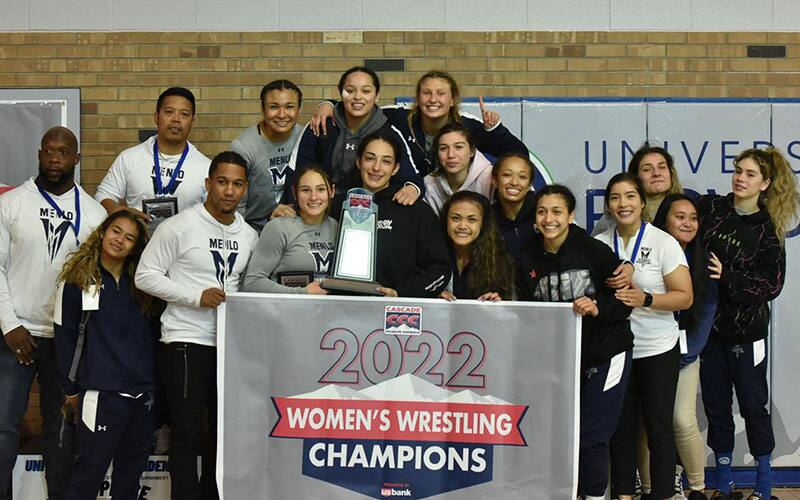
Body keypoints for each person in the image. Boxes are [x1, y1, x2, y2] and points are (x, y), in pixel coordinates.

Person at [135, 151, 258, 500]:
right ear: (208, 184)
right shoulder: (178, 227)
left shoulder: (249, 236)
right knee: (187, 434)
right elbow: (145, 276)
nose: (229, 191)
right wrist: (194, 296)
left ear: (245, 188)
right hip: (185, 341)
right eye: (222, 182)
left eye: (237, 184)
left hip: (230, 348)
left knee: (222, 436)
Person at [0, 126, 107, 500]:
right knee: (3, 426)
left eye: (63, 152)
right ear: (39, 155)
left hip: (65, 341)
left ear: (77, 158)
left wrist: (83, 336)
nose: (55, 158)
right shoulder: (11, 203)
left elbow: (95, 282)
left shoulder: (93, 215)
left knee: (60, 430)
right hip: (15, 337)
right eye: (48, 151)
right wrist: (10, 325)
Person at [516, 184, 633, 500]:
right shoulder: (527, 255)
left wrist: (598, 307)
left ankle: (594, 496)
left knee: (592, 435)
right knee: (562, 434)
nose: (548, 219)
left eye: (556, 212)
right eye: (542, 212)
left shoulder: (593, 250)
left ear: (570, 216)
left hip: (607, 353)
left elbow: (626, 300)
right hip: (563, 361)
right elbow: (525, 311)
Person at [696, 147, 799, 500]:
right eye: (738, 170)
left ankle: (764, 483)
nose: (740, 178)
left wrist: (729, 277)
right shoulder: (711, 210)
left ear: (765, 183)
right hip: (710, 330)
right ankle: (723, 482)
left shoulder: (768, 230)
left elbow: (772, 284)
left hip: (748, 333)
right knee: (716, 405)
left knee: (754, 405)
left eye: (750, 174)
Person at [595, 172, 693, 500]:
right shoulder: (600, 241)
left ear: (641, 202)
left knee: (659, 429)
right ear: (607, 205)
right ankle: (623, 494)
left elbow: (685, 297)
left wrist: (646, 299)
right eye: (615, 197)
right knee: (620, 430)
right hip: (615, 351)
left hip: (656, 348)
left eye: (630, 196)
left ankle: (662, 494)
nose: (623, 204)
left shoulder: (662, 242)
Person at [54, 210, 156, 500]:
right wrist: (70, 387)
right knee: (89, 475)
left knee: (130, 478)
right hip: (101, 393)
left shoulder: (143, 283)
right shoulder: (77, 280)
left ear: (136, 247)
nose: (120, 240)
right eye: (116, 231)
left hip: (142, 394)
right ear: (102, 232)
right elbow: (65, 334)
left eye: (129, 238)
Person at [635, 194, 721, 500]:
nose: (687, 223)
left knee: (681, 419)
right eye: (679, 217)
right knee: (647, 423)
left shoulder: (704, 262)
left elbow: (704, 318)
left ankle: (696, 487)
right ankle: (650, 488)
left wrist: (682, 355)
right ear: (664, 221)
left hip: (684, 355)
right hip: (649, 351)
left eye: (693, 218)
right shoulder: (647, 253)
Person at [312, 69, 529, 175]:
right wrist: (329, 104)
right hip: (415, 200)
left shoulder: (468, 126)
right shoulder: (398, 117)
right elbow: (361, 106)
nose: (433, 99)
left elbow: (519, 153)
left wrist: (494, 129)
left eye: (441, 93)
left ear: (452, 99)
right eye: (426, 93)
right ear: (417, 97)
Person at [331, 131, 450, 298]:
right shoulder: (336, 207)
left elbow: (439, 269)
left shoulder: (415, 210)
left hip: (398, 314)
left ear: (395, 169)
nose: (376, 168)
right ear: (358, 162)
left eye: (386, 161)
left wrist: (401, 293)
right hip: (343, 310)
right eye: (370, 158)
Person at [284, 66, 423, 207]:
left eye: (366, 91)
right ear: (340, 93)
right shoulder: (320, 124)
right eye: (350, 91)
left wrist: (413, 188)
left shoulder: (388, 133)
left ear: (377, 95)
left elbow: (412, 177)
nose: (357, 97)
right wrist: (293, 206)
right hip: (321, 208)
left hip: (369, 210)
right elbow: (297, 173)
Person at [95, 87, 210, 227]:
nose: (176, 119)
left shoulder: (205, 167)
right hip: (138, 245)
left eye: (184, 114)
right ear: (156, 117)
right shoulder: (129, 158)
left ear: (192, 121)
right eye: (169, 112)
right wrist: (121, 212)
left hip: (184, 246)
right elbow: (103, 195)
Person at [242, 164, 337, 294]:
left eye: (320, 189)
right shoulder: (279, 227)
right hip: (288, 311)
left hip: (331, 311)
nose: (313, 197)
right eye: (305, 190)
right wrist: (302, 293)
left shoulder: (338, 228)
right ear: (294, 192)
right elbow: (251, 283)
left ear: (331, 191)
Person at [231, 79, 304, 232]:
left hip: (295, 228)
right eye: (274, 107)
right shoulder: (244, 147)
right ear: (263, 109)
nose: (282, 114)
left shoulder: (305, 137)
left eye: (289, 107)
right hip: (254, 230)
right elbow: (235, 205)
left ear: (299, 109)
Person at [592, 144, 682, 236]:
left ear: (671, 173)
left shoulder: (690, 212)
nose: (656, 173)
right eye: (647, 169)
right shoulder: (612, 219)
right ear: (635, 177)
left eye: (662, 167)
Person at [438, 191, 513, 301]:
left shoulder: (498, 260)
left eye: (472, 220)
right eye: (455, 218)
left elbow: (511, 312)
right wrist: (433, 298)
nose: (463, 226)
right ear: (446, 221)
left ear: (483, 224)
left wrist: (498, 303)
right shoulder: (432, 254)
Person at [423, 123, 494, 215]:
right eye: (443, 148)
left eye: (459, 147)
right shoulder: (428, 184)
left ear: (472, 151)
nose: (451, 155)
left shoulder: (490, 179)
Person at [490, 152, 536, 264]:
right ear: (495, 181)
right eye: (507, 175)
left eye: (522, 177)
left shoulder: (544, 215)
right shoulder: (486, 218)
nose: (514, 182)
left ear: (530, 184)